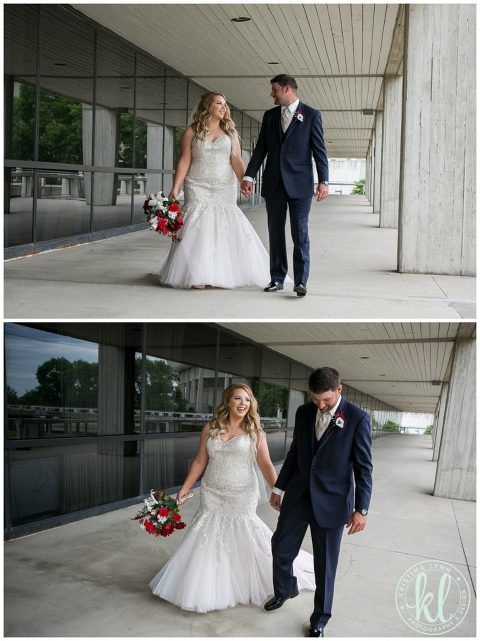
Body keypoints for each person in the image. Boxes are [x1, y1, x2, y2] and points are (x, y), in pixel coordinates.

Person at [149, 384, 315, 613]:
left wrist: (276, 490)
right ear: (228, 401)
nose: (243, 403)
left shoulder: (256, 432)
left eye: (247, 400)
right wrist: (184, 489)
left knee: (243, 533)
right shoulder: (210, 428)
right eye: (238, 398)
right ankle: (210, 583)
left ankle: (265, 577)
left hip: (241, 494)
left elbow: (265, 464)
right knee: (207, 535)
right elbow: (200, 461)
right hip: (212, 491)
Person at [264, 368, 373, 637]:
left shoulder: (358, 419)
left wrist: (361, 509)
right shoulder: (303, 413)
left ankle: (320, 619)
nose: (320, 405)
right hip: (299, 496)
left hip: (333, 503)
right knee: (280, 545)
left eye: (325, 400)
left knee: (325, 565)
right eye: (316, 400)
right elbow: (294, 454)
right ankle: (285, 589)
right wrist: (279, 487)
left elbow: (363, 468)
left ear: (339, 390)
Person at [157, 92, 270, 289]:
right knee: (196, 226)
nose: (223, 107)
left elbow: (236, 159)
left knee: (223, 225)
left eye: (225, 104)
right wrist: (175, 187)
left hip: (223, 186)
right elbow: (184, 160)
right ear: (207, 106)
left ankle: (221, 272)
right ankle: (196, 273)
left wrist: (244, 180)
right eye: (218, 103)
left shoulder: (230, 133)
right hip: (196, 183)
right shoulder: (192, 131)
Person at [241, 74, 329, 298]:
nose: (272, 94)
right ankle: (277, 279)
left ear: (287, 89)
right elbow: (261, 149)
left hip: (300, 185)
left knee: (300, 233)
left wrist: (324, 182)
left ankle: (300, 282)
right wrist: (249, 176)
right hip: (274, 184)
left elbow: (320, 151)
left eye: (275, 90)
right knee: (275, 232)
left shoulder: (311, 115)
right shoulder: (270, 116)